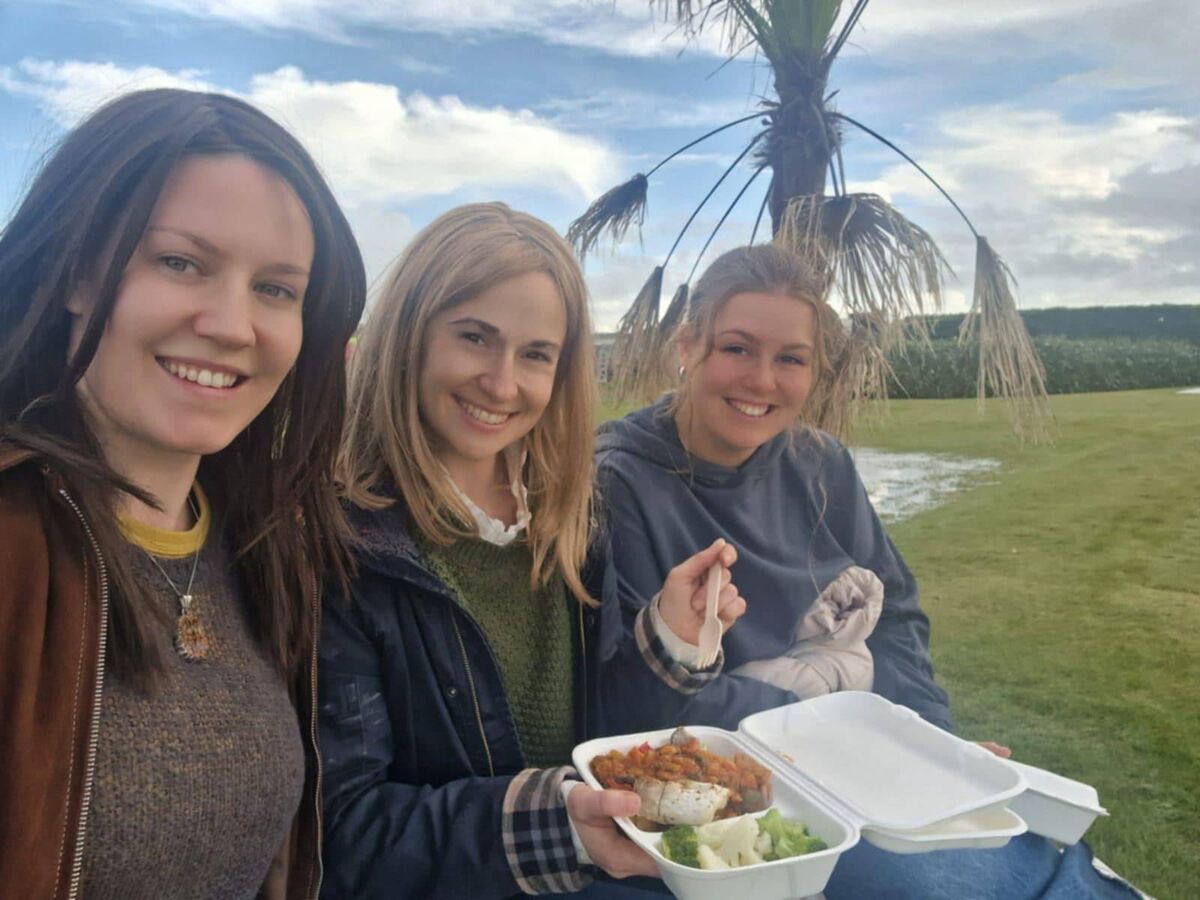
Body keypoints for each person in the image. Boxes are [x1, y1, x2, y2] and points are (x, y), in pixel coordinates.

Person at [595, 243, 1143, 899]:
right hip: (735, 794)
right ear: (687, 345)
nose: (762, 380)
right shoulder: (618, 479)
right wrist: (847, 726)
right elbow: (626, 696)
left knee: (1040, 864)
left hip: (861, 762)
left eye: (791, 359)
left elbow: (898, 617)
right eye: (737, 348)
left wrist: (936, 745)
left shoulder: (820, 464)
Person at [319, 202, 745, 899]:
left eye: (536, 355)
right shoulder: (345, 545)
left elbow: (600, 740)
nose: (502, 383)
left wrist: (667, 640)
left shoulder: (571, 519)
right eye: (474, 337)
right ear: (408, 337)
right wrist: (559, 824)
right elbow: (345, 835)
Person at [0, 88, 366, 899]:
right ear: (80, 273)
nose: (234, 325)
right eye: (180, 262)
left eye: (276, 288)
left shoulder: (268, 548)